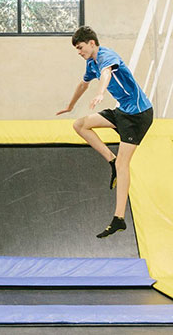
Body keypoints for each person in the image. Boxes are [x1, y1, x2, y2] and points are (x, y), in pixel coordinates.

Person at [57, 26, 153, 239]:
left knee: (123, 164)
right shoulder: (90, 63)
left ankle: (119, 218)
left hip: (138, 115)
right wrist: (70, 106)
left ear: (92, 43)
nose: (79, 52)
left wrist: (100, 93)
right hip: (123, 111)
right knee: (80, 125)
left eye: (80, 47)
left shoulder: (106, 56)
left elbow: (106, 73)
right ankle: (110, 160)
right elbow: (83, 84)